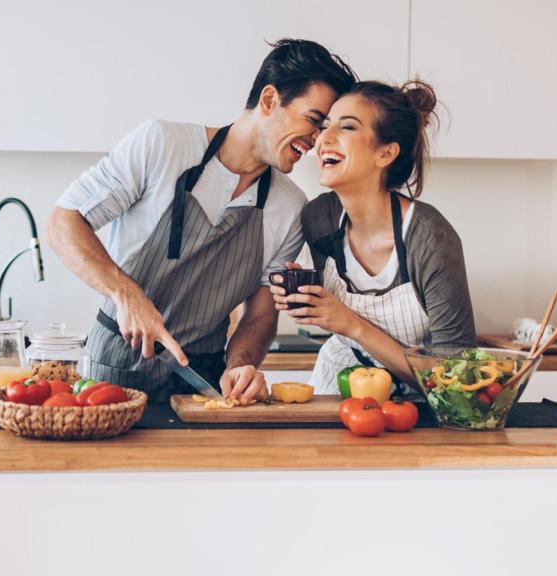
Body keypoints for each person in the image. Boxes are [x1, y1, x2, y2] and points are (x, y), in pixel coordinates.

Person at [48, 39, 358, 402]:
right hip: (115, 371)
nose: (320, 140)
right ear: (270, 100)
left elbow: (259, 316)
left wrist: (240, 365)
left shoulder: (290, 207)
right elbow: (64, 221)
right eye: (314, 121)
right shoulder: (162, 145)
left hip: (202, 382)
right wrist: (126, 294)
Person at [272, 80, 476, 393]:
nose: (324, 137)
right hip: (338, 382)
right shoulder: (319, 217)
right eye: (325, 126)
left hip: (421, 404)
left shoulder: (430, 238)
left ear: (386, 153)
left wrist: (349, 323)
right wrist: (307, 297)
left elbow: (456, 379)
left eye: (348, 127)